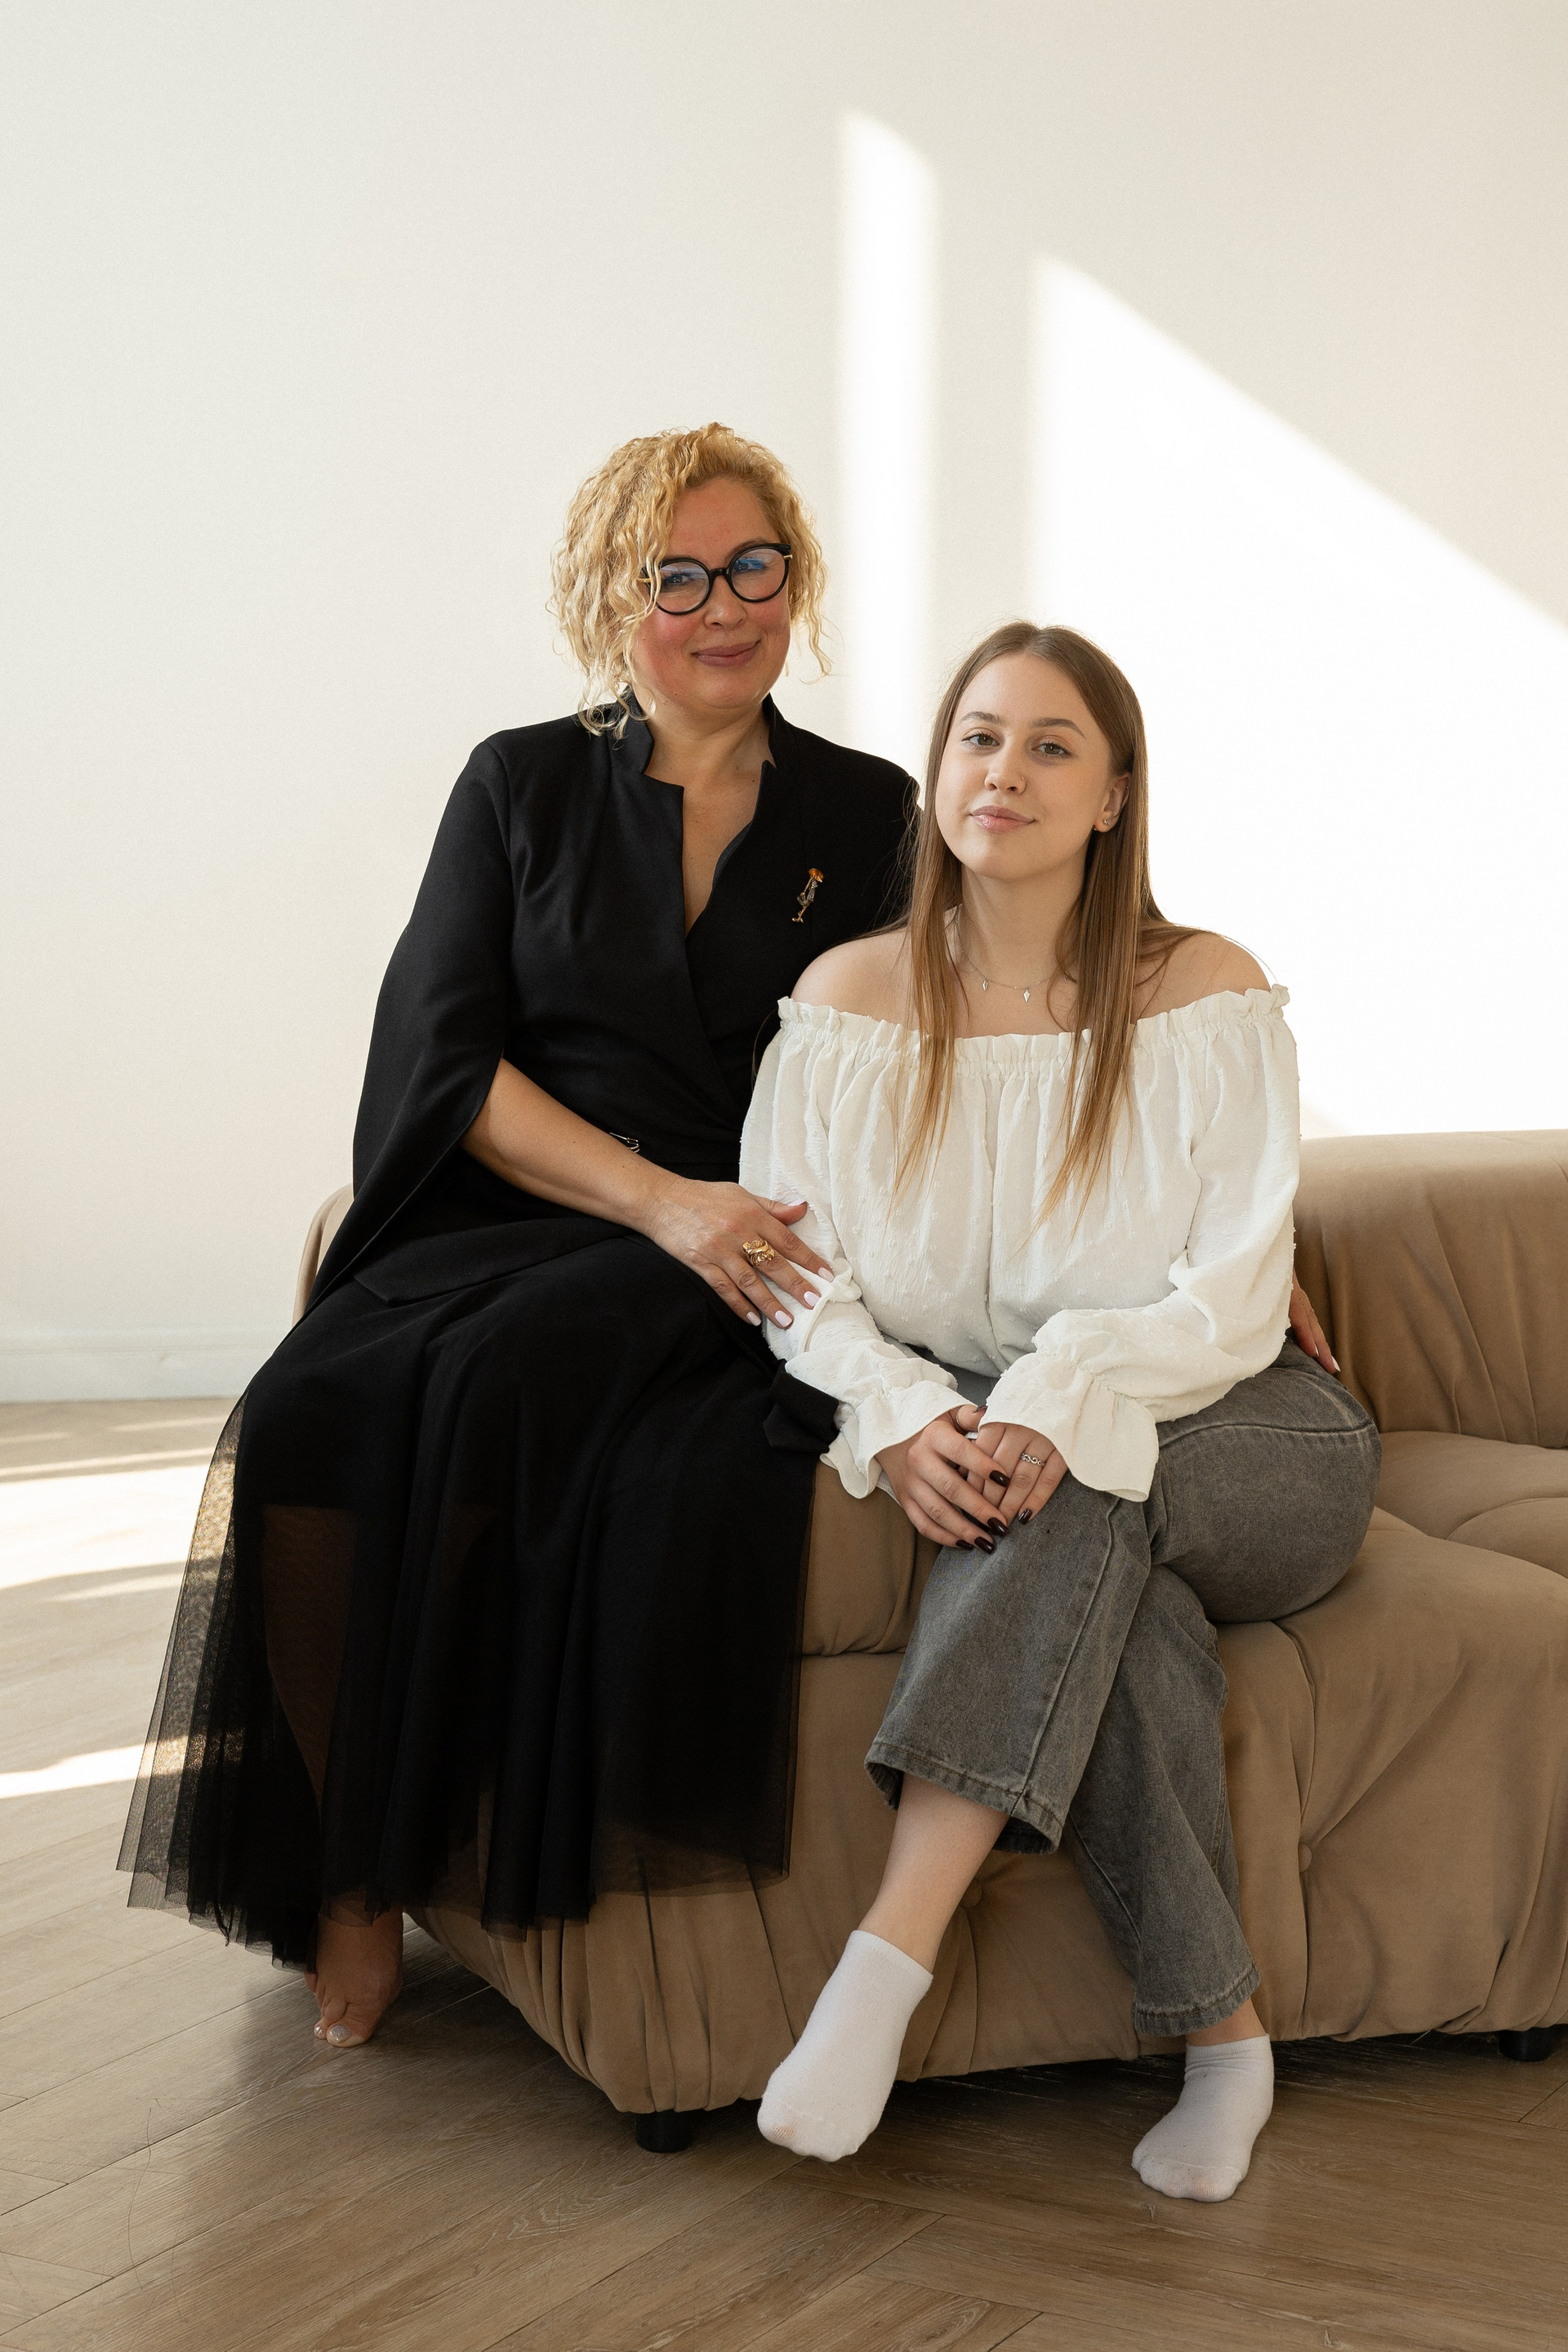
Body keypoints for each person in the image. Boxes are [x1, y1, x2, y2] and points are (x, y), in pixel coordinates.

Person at [120, 424, 918, 2047]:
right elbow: (449, 1060)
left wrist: (1226, 1233)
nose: (722, 606)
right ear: (609, 602)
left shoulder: (872, 806)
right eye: (675, 577)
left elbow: (1003, 1010)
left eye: (752, 567)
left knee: (502, 1388)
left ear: (797, 582)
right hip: (535, 1202)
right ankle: (355, 1869)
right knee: (302, 1409)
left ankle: (393, 1863)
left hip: (745, 1236)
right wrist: (655, 1199)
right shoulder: (520, 782)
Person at [738, 621, 1380, 2201]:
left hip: (1258, 1435)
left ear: (1114, 793)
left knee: (1073, 1466)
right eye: (977, 736)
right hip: (1031, 1451)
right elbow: (794, 1275)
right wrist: (898, 1413)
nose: (1003, 773)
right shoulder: (847, 1002)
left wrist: (1061, 1390)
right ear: (938, 768)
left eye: (1049, 746)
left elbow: (1236, 1296)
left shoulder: (1206, 994)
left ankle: (885, 1961)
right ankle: (1225, 2039)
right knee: (1105, 1582)